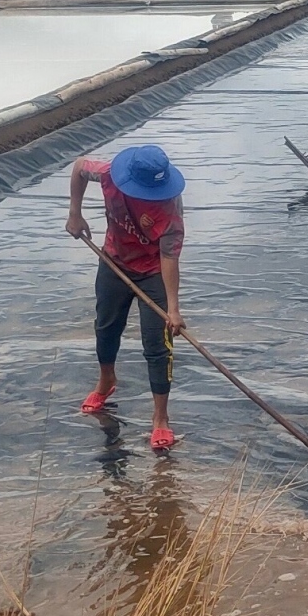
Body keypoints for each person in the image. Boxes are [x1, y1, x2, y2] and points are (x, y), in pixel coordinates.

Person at [65, 145, 188, 451]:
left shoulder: (170, 207)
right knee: (106, 328)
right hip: (114, 262)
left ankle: (161, 418)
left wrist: (173, 309)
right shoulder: (108, 174)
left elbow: (169, 258)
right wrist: (75, 213)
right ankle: (106, 381)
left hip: (153, 273)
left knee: (158, 346)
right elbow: (79, 165)